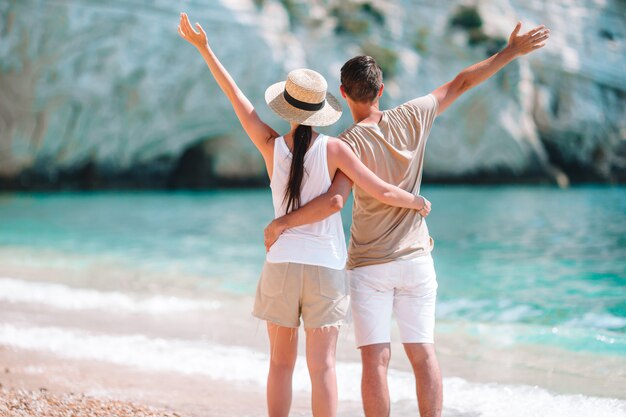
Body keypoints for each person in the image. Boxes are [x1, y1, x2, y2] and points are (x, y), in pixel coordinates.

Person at [264, 22, 550, 417]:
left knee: (374, 361)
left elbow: (334, 199)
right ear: (381, 90)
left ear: (343, 94)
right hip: (417, 259)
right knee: (423, 353)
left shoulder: (347, 144)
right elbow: (462, 82)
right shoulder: (414, 115)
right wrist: (510, 52)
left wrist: (282, 224)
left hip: (369, 265)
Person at [177, 12, 432, 417]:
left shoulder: (270, 145)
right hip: (326, 267)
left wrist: (205, 49)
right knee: (323, 367)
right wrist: (417, 203)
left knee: (280, 364)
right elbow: (379, 191)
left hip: (280, 263)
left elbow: (237, 98)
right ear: (324, 109)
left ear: (287, 107)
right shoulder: (335, 150)